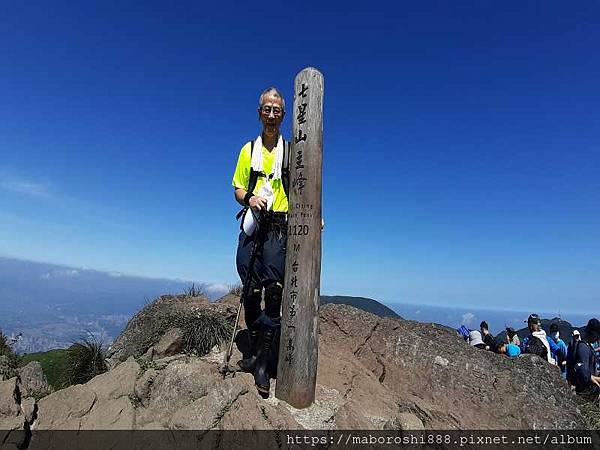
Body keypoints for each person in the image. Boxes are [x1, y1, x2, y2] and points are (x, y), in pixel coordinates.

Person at [232, 87, 289, 397]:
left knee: (275, 292)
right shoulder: (248, 150)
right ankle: (253, 351)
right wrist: (251, 197)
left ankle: (264, 364)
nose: (271, 114)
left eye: (276, 110)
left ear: (283, 115)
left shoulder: (291, 152)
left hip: (279, 225)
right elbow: (238, 188)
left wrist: (314, 215)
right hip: (254, 224)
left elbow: (302, 190)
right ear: (259, 113)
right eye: (266, 109)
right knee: (250, 288)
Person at [566, 318, 600, 395]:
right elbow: (581, 368)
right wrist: (592, 378)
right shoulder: (583, 347)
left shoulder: (586, 346)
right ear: (593, 334)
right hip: (586, 390)